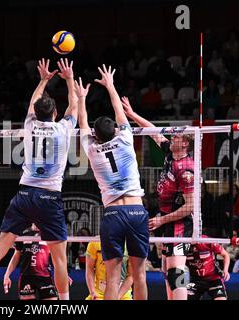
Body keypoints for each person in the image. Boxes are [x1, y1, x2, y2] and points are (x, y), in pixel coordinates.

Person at [0, 58, 77, 300]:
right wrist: (70, 79)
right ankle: (65, 304)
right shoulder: (63, 129)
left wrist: (42, 81)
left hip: (24, 194)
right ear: (55, 113)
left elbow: (32, 103)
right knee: (59, 257)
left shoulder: (29, 124)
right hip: (49, 197)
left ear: (37, 113)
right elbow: (74, 106)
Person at [76, 65, 149, 300]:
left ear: (96, 136)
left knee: (112, 277)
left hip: (113, 214)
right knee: (139, 276)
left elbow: (83, 122)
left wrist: (81, 98)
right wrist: (110, 85)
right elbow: (120, 110)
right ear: (115, 130)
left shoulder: (92, 149)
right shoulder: (126, 139)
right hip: (137, 211)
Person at [122, 96, 194, 300]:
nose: (172, 138)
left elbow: (189, 206)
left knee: (177, 268)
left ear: (186, 144)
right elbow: (154, 132)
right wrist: (132, 114)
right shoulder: (171, 155)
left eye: (177, 137)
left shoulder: (187, 169)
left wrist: (163, 219)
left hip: (180, 223)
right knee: (166, 268)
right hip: (166, 218)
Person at [3, 224, 58, 300]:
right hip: (27, 277)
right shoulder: (23, 234)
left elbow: (56, 256)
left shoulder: (49, 233)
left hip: (45, 277)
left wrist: (63, 273)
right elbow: (16, 256)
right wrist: (7, 274)